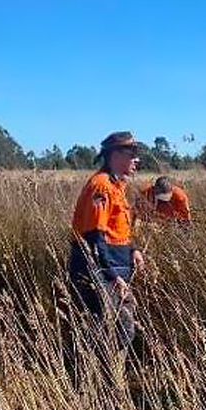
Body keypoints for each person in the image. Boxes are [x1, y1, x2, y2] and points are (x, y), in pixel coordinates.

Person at [68, 131, 145, 355]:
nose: (136, 160)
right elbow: (94, 237)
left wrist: (134, 249)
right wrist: (112, 276)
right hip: (99, 270)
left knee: (116, 326)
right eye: (132, 153)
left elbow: (117, 227)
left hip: (113, 268)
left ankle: (107, 378)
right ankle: (93, 376)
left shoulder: (117, 186)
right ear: (115, 155)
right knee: (118, 328)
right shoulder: (101, 186)